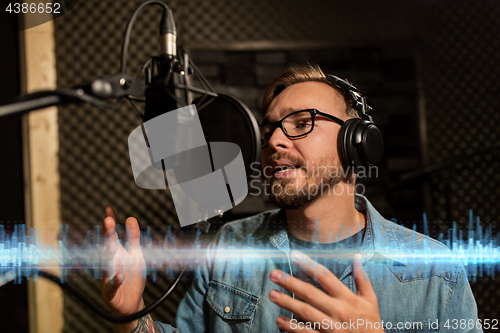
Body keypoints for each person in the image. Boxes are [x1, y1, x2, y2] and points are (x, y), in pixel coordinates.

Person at [100, 65, 481, 333]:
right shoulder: (229, 246)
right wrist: (133, 319)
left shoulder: (434, 273)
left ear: (357, 142)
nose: (275, 141)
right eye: (269, 130)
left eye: (302, 123)